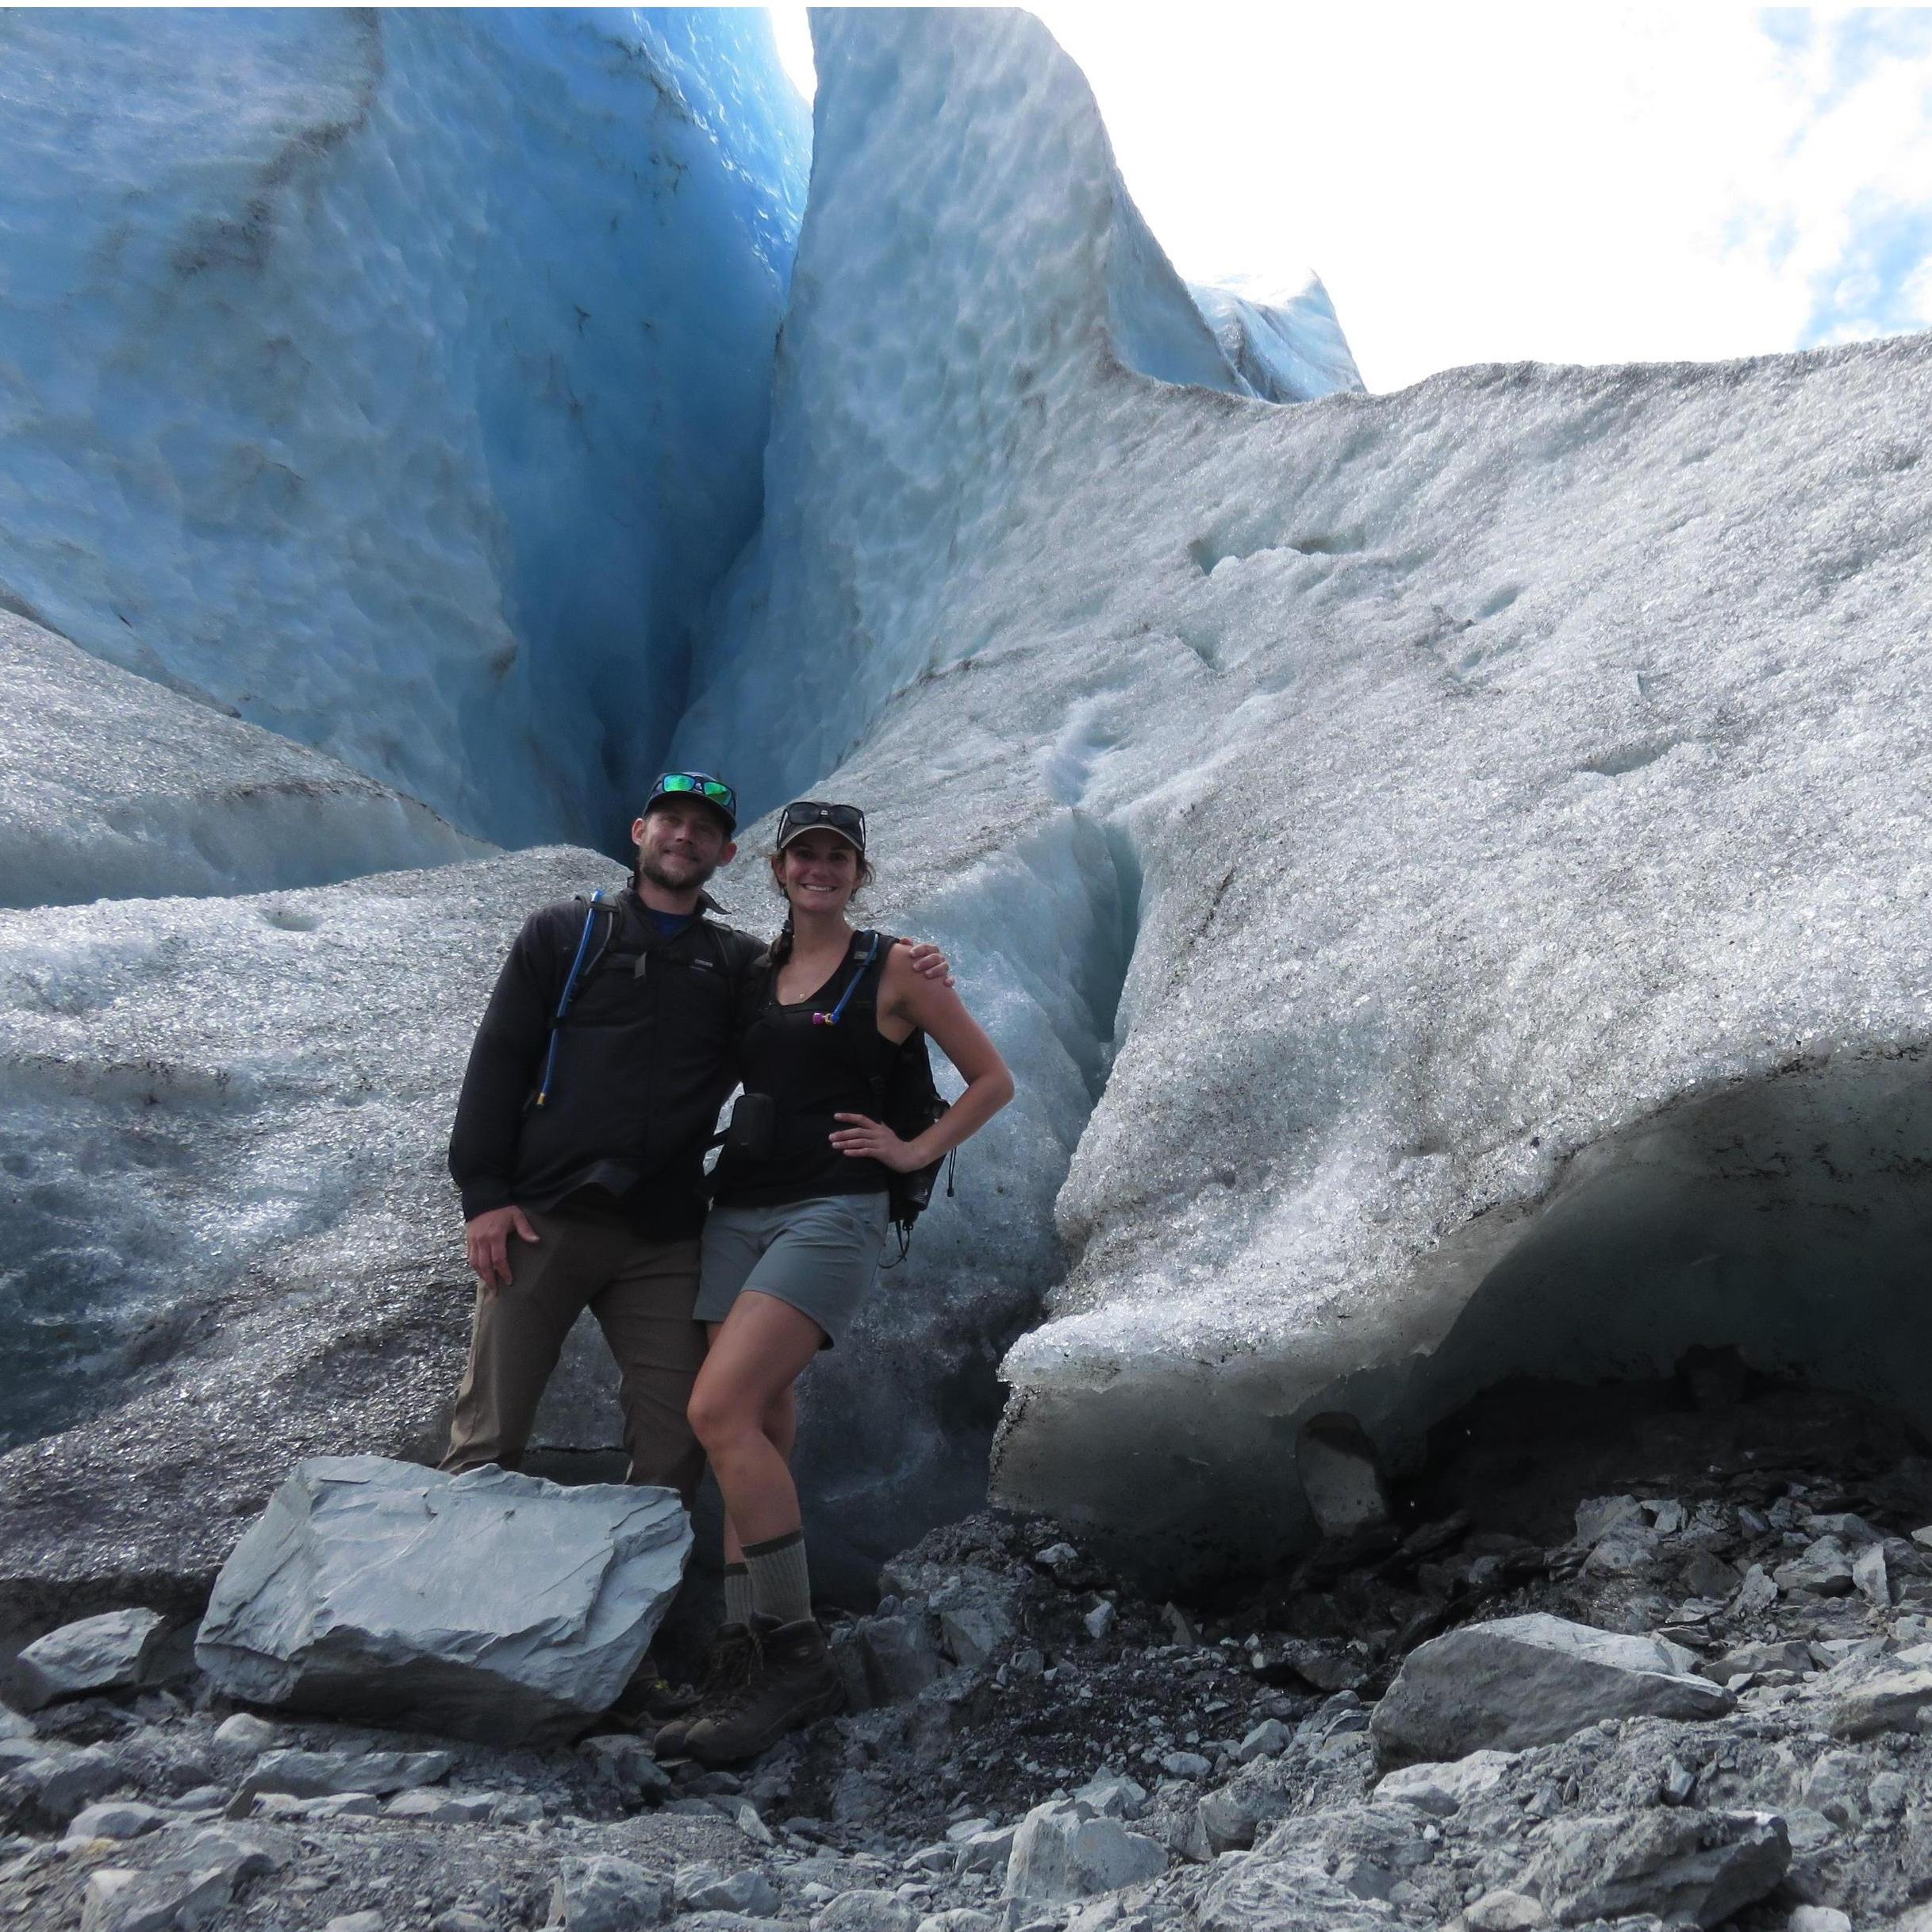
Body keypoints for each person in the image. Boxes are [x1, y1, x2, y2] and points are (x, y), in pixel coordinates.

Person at [440, 774, 950, 1715]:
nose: (684, 837)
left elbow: (821, 1002)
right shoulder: (564, 933)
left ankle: (620, 1647)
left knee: (679, 1441)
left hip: (666, 1231)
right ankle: (441, 1639)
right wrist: (485, 1193)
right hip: (545, 1216)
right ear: (639, 830)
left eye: (704, 829)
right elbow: (501, 1054)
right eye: (670, 821)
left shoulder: (739, 964)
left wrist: (912, 966)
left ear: (727, 854)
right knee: (490, 1432)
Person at [659, 799, 1015, 1765]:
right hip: (738, 1210)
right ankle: (742, 1658)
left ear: (859, 872)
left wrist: (912, 1148)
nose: (819, 868)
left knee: (718, 1409)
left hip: (830, 1212)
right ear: (777, 868)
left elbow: (991, 1078)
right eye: (803, 854)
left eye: (837, 856)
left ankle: (792, 1655)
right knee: (760, 1425)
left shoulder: (894, 966)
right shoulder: (755, 970)